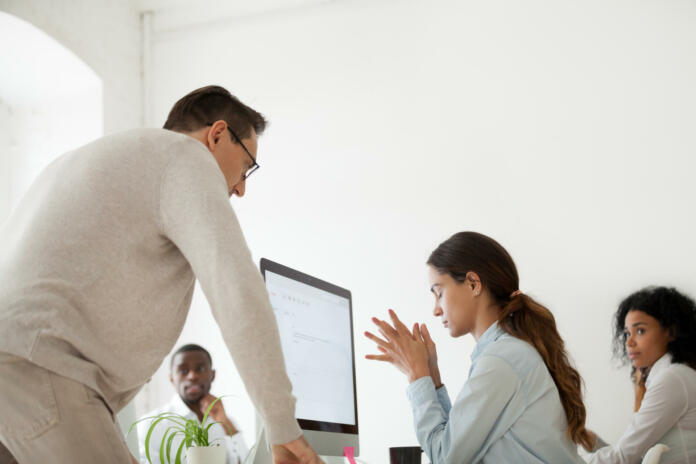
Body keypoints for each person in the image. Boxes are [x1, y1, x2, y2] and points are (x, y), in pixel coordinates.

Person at [0, 85, 322, 464]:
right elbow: (237, 292)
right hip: (43, 372)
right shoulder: (185, 157)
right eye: (247, 165)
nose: (241, 187)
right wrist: (283, 427)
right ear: (217, 135)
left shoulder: (88, 159)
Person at [365, 231, 590, 463]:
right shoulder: (506, 353)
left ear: (473, 284)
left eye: (439, 293)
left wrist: (417, 375)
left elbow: (445, 457)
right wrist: (432, 380)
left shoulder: (502, 360)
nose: (436, 310)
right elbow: (460, 444)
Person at [586, 286, 696, 463]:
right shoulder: (675, 375)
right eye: (627, 333)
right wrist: (591, 441)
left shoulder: (673, 379)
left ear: (671, 332)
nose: (629, 342)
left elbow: (624, 457)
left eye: (640, 331)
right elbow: (635, 456)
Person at [137, 344, 248, 464]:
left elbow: (248, 461)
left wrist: (226, 424)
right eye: (183, 371)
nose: (192, 376)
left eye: (200, 369)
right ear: (172, 378)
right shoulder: (151, 424)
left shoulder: (225, 422)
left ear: (212, 375)